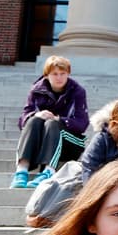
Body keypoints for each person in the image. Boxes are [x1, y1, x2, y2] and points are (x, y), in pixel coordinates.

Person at [13, 55, 89, 189]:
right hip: (43, 143)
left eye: (63, 73)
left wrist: (60, 119)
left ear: (68, 74)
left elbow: (82, 124)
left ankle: (48, 171)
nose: (59, 77)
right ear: (47, 75)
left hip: (71, 142)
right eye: (54, 74)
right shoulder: (36, 90)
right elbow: (23, 121)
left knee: (52, 123)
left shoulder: (77, 91)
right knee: (33, 120)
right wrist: (37, 114)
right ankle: (21, 171)